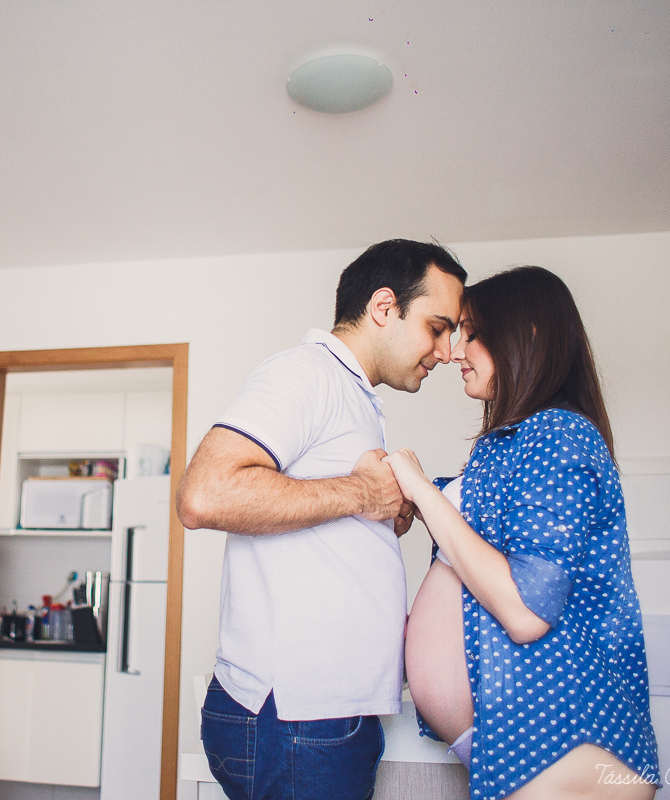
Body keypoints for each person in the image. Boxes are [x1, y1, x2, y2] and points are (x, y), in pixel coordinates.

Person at [176, 239, 467, 800]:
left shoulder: (352, 394)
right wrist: (361, 493)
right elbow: (205, 495)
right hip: (296, 721)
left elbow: (316, 512)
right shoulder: (306, 373)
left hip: (320, 718)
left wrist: (380, 515)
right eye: (438, 327)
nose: (449, 350)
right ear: (384, 308)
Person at [387, 266, 660, 799]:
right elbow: (482, 533)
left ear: (526, 335)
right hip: (522, 742)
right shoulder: (513, 443)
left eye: (470, 331)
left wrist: (422, 492)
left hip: (565, 741)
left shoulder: (558, 433)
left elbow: (525, 610)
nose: (455, 351)